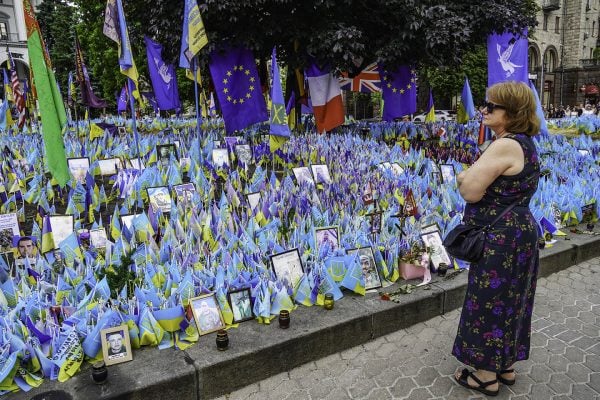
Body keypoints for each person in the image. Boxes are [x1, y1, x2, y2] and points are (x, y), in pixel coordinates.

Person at [452, 81, 541, 396]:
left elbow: (470, 190)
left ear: (512, 112)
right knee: (514, 300)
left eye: (492, 106)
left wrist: (464, 176)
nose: (484, 110)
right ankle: (507, 366)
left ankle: (486, 376)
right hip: (520, 233)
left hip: (499, 238)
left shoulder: (504, 145)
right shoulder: (526, 143)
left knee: (489, 303)